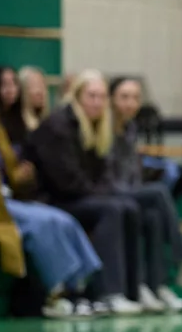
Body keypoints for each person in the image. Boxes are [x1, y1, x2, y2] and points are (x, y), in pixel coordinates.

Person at [24, 70, 146, 315]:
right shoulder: (58, 126)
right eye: (91, 96)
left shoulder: (96, 127)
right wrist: (105, 193)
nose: (97, 102)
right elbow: (66, 183)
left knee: (129, 207)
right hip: (52, 200)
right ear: (77, 96)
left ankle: (133, 290)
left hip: (79, 196)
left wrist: (104, 192)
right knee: (112, 209)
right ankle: (107, 292)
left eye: (101, 97)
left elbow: (98, 175)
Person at [109, 75, 182, 312]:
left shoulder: (130, 129)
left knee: (153, 215)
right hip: (110, 193)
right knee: (158, 192)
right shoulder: (105, 130)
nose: (130, 103)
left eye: (135, 98)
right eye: (124, 97)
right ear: (111, 99)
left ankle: (155, 286)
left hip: (128, 192)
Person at [0, 92, 102, 319]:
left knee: (62, 219)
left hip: (6, 198)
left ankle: (78, 287)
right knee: (42, 223)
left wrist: (23, 175)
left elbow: (8, 172)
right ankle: (55, 294)